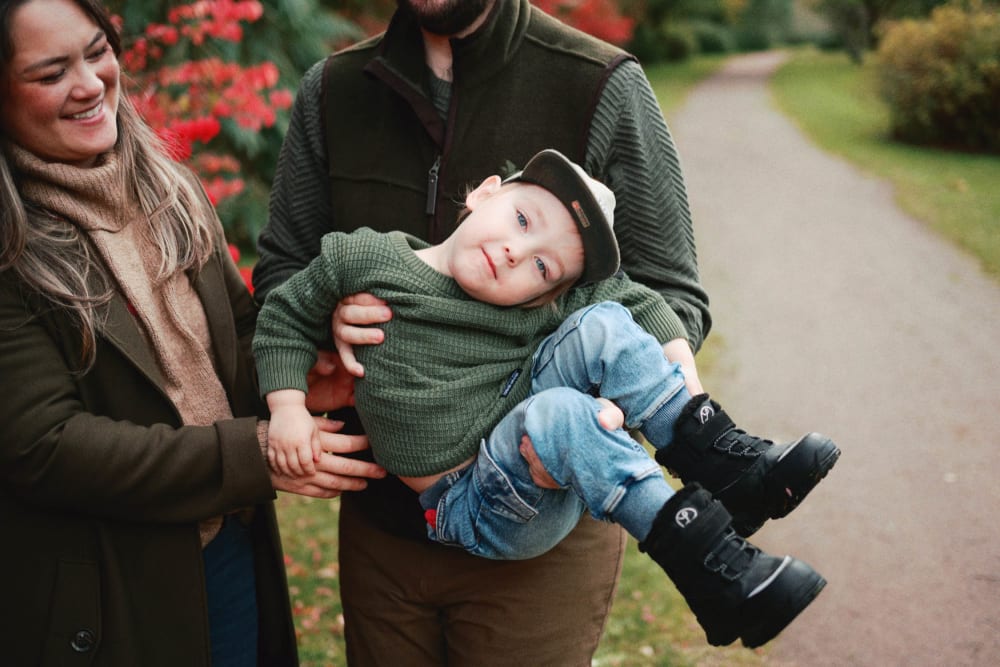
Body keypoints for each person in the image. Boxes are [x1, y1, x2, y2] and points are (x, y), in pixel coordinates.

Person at [249, 0, 774, 663]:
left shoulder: (601, 82)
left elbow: (668, 292)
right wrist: (327, 323)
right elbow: (285, 276)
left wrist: (600, 414)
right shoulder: (335, 89)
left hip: (540, 526)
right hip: (383, 527)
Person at [254, 149, 837, 649]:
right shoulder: (366, 261)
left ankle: (723, 475)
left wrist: (685, 374)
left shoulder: (532, 302)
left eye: (542, 265)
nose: (515, 251)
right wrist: (286, 408)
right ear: (486, 194)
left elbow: (624, 295)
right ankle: (710, 564)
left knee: (603, 324)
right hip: (470, 501)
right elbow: (283, 314)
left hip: (530, 474)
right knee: (561, 412)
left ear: (545, 292)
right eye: (522, 219)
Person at [0, 0, 384, 665]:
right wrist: (251, 454)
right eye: (51, 72)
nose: (90, 83)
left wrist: (296, 381)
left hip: (222, 548)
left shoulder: (166, 187)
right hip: (107, 587)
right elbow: (46, 445)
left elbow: (231, 335)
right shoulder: (13, 249)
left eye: (97, 52)